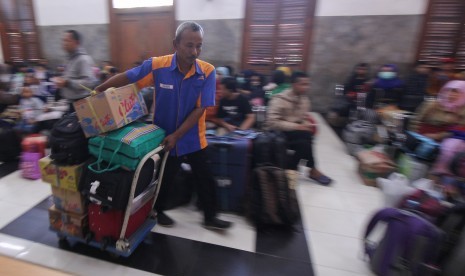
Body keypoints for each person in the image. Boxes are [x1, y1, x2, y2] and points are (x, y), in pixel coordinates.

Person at [95, 21, 231, 230]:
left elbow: (200, 109)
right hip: (164, 134)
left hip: (193, 135)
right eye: (189, 45)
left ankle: (210, 216)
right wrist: (100, 89)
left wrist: (177, 135)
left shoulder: (207, 71)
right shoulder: (158, 65)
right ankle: (158, 210)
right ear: (175, 44)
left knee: (204, 176)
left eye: (199, 45)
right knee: (164, 176)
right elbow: (129, 77)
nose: (195, 51)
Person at [266, 71, 332, 185]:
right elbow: (272, 122)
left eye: (308, 84)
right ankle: (310, 169)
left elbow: (304, 117)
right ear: (294, 84)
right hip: (277, 132)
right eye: (303, 84)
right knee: (306, 138)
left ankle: (291, 169)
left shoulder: (304, 100)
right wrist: (298, 126)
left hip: (295, 132)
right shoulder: (279, 99)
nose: (307, 87)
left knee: (305, 140)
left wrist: (306, 124)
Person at [52, 30, 96, 111]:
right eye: (63, 40)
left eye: (67, 40)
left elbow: (89, 82)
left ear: (77, 43)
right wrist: (62, 80)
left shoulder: (83, 59)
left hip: (81, 103)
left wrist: (67, 82)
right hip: (71, 102)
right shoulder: (70, 59)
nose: (64, 43)